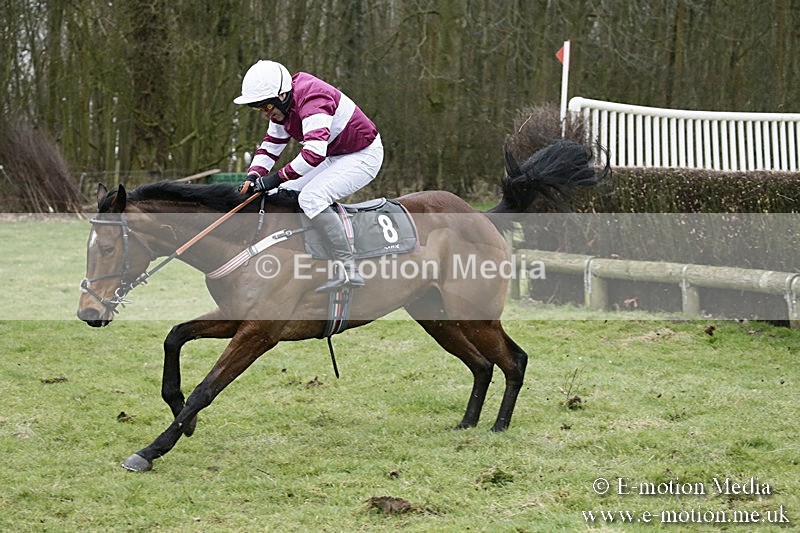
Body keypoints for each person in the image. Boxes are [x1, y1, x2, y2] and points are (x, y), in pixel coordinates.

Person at [234, 60, 383, 292]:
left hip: (362, 155)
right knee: (277, 193)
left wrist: (274, 177)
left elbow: (313, 154)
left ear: (282, 96)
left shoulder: (313, 99)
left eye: (265, 107)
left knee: (311, 198)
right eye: (259, 108)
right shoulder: (282, 107)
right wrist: (254, 175)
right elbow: (271, 145)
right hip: (334, 154)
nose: (265, 114)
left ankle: (348, 268)